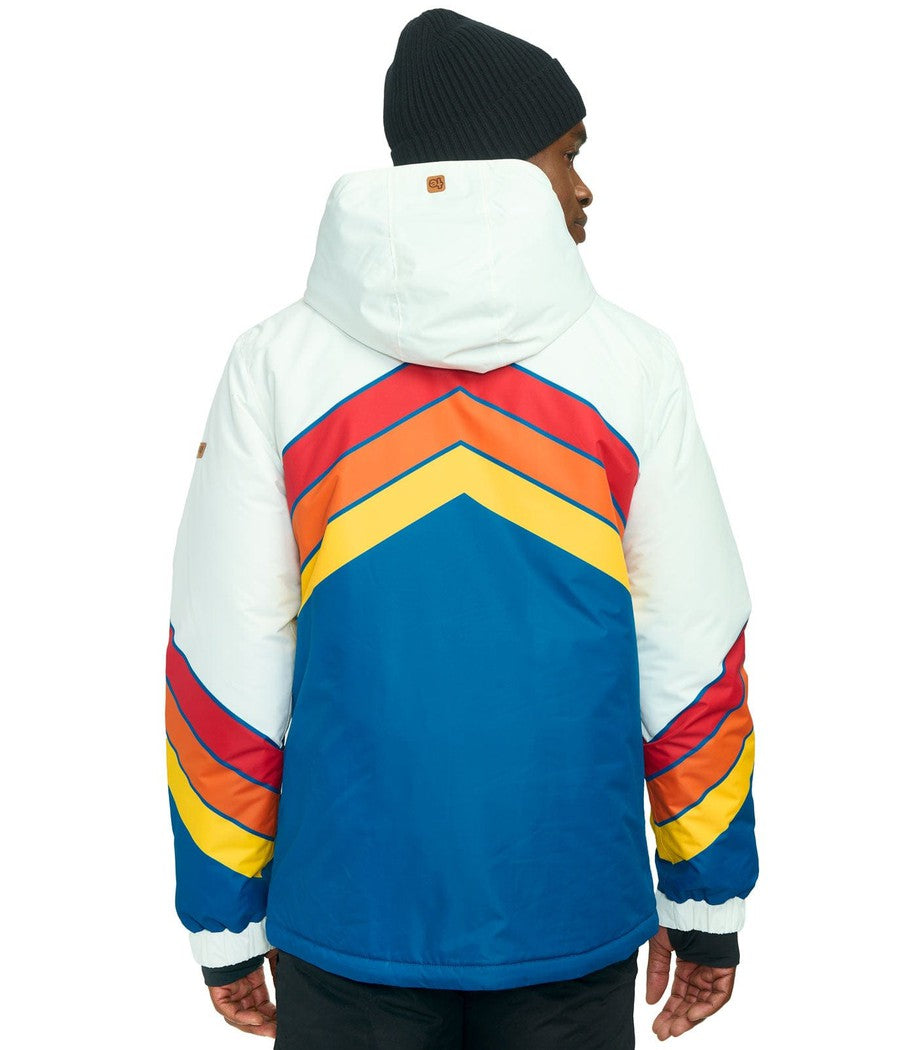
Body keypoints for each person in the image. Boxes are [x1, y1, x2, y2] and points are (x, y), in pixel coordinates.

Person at [164, 9, 758, 1048]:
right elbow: (693, 648)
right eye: (569, 153)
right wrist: (707, 903)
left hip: (347, 914)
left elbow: (224, 653)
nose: (585, 188)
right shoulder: (630, 366)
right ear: (510, 163)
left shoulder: (277, 365)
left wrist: (225, 917)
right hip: (568, 903)